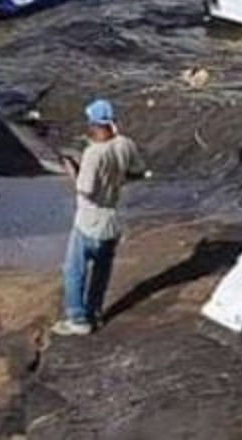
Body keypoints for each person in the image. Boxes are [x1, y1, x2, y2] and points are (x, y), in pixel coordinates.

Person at [52, 99, 147, 337]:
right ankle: (94, 313)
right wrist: (116, 181)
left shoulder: (93, 154)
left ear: (95, 124)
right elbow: (138, 172)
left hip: (88, 221)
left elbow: (85, 190)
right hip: (112, 222)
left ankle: (78, 319)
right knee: (102, 271)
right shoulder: (126, 144)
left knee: (74, 271)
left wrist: (73, 171)